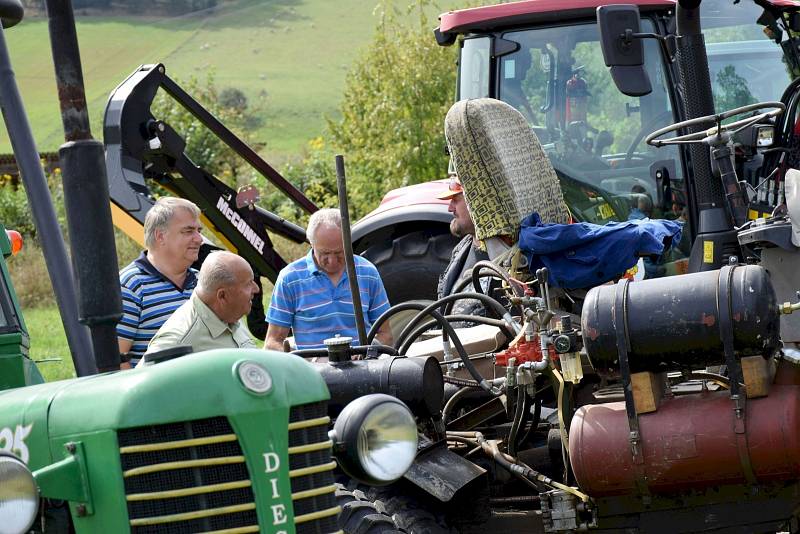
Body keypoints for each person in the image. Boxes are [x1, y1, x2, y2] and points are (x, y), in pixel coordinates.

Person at [264, 208, 392, 351]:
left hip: (362, 367)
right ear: (312, 243)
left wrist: (368, 352)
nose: (332, 261)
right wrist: (302, 362)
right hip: (311, 370)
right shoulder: (290, 279)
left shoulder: (367, 273)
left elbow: (385, 334)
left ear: (349, 243)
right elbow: (272, 342)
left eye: (339, 252)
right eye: (325, 253)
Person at [117, 197, 203, 368]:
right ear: (160, 236)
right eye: (188, 231)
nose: (199, 239)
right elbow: (117, 359)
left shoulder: (203, 281)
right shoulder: (130, 285)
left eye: (198, 230)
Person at [141, 251, 258, 362]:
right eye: (248, 284)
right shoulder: (178, 341)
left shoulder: (229, 314)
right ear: (222, 296)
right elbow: (143, 381)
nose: (256, 289)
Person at [436, 174, 489, 317]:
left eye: (455, 200)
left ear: (476, 201)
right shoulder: (461, 249)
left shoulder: (509, 257)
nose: (450, 208)